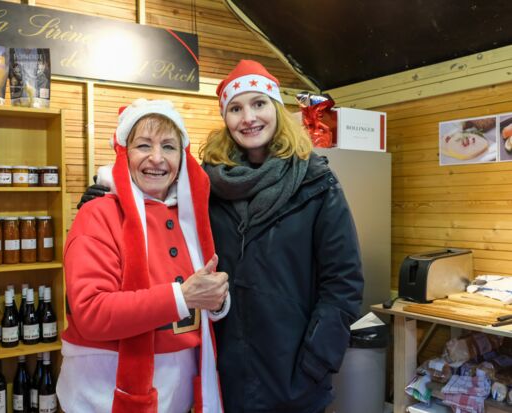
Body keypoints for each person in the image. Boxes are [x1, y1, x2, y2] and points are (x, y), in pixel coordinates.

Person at [79, 60, 364, 413]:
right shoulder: (205, 186)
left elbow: (344, 283)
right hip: (223, 370)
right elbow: (158, 207)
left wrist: (316, 361)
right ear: (225, 119)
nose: (248, 118)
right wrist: (106, 194)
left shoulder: (316, 184)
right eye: (236, 108)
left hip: (295, 372)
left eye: (258, 103)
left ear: (275, 108)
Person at [58, 99, 229, 413]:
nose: (157, 158)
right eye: (143, 145)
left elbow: (199, 296)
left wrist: (215, 300)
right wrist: (183, 296)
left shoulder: (191, 216)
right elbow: (92, 313)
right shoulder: (98, 215)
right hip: (104, 391)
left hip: (177, 392)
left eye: (168, 146)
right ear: (124, 153)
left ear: (182, 156)